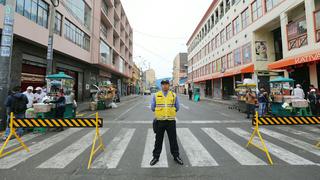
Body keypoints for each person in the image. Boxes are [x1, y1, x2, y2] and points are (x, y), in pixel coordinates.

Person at [150, 79, 183, 166]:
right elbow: (153, 107)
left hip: (171, 121)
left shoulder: (173, 95)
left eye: (166, 84)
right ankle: (155, 157)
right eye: (163, 84)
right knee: (158, 140)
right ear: (161, 86)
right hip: (160, 121)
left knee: (173, 140)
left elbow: (177, 107)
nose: (165, 86)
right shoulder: (156, 95)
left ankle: (176, 156)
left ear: (169, 85)